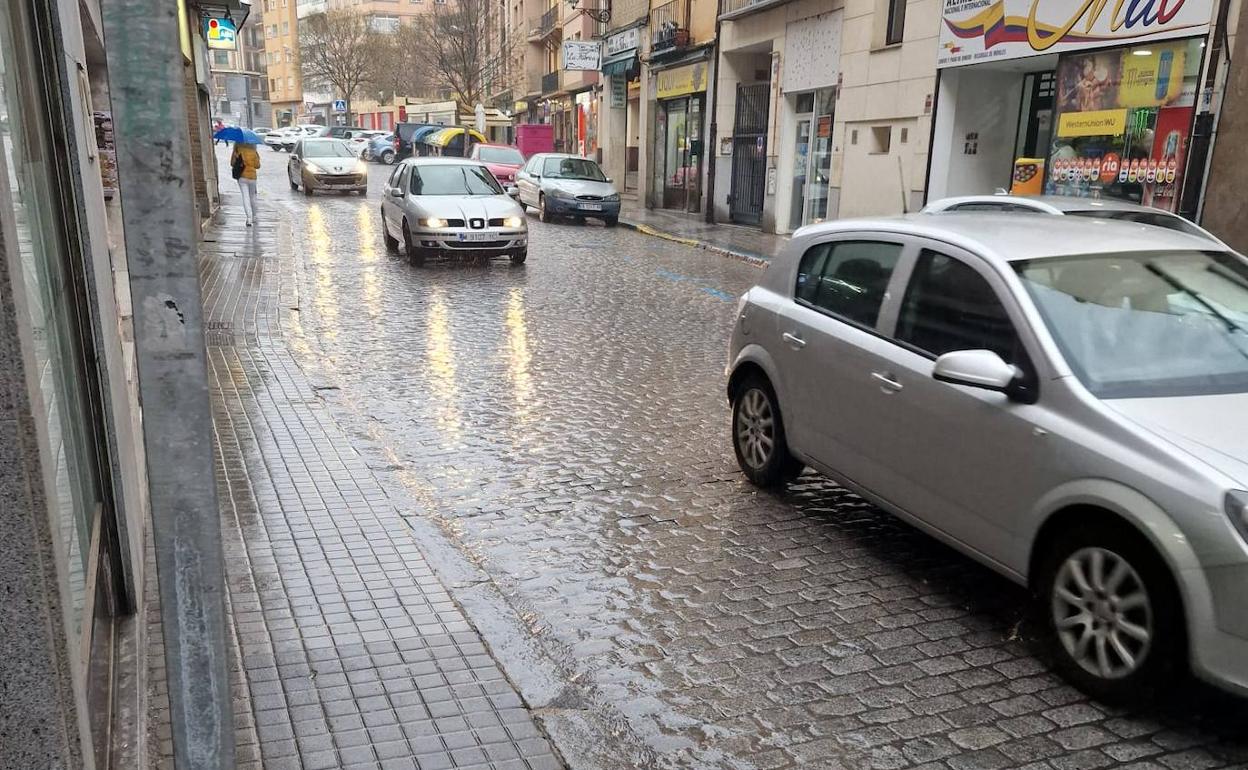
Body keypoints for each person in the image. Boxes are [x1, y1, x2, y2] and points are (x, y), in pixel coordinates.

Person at [230, 140, 261, 227]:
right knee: (253, 197)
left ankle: (249, 218)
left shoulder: (237, 150)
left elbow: (232, 163)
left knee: (245, 197)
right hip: (252, 177)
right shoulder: (254, 151)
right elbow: (257, 166)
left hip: (242, 177)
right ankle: (255, 216)